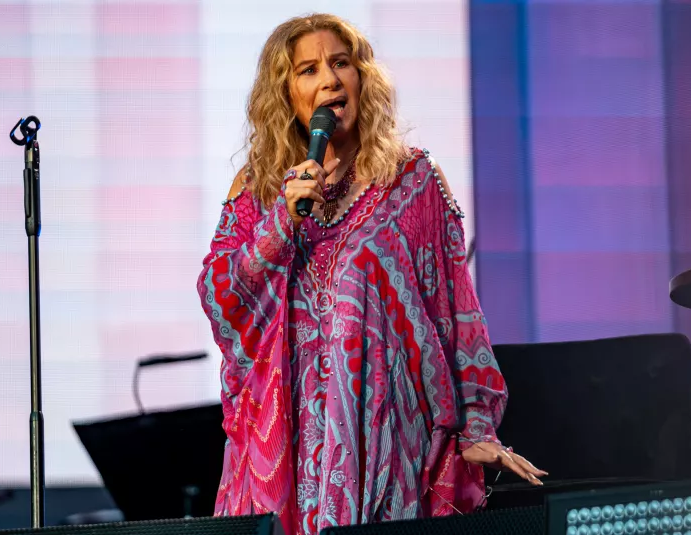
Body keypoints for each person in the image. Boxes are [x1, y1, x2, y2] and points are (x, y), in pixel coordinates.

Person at [197, 13, 545, 535]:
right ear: (287, 95)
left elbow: (458, 313)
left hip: (384, 448)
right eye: (308, 70)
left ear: (363, 77)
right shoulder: (260, 189)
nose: (330, 80)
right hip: (280, 462)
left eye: (341, 63)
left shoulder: (411, 181)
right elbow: (221, 295)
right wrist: (280, 225)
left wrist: (476, 423)